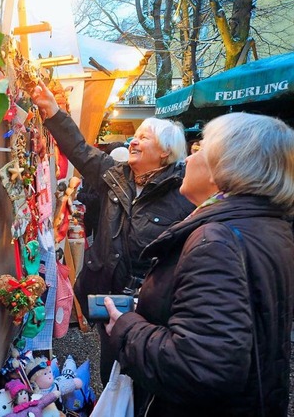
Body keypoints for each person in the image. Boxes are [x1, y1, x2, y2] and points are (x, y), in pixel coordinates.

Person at [103, 112, 294, 416]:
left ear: (226, 166)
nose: (188, 159)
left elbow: (200, 367)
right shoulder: (265, 225)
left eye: (200, 149)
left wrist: (126, 328)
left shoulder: (217, 239)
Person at [31, 80, 195, 384]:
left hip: (149, 309)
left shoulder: (182, 194)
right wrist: (53, 112)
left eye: (143, 138)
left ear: (165, 152)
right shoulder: (116, 175)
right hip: (107, 298)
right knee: (110, 373)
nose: (133, 141)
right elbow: (80, 150)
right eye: (135, 136)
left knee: (140, 378)